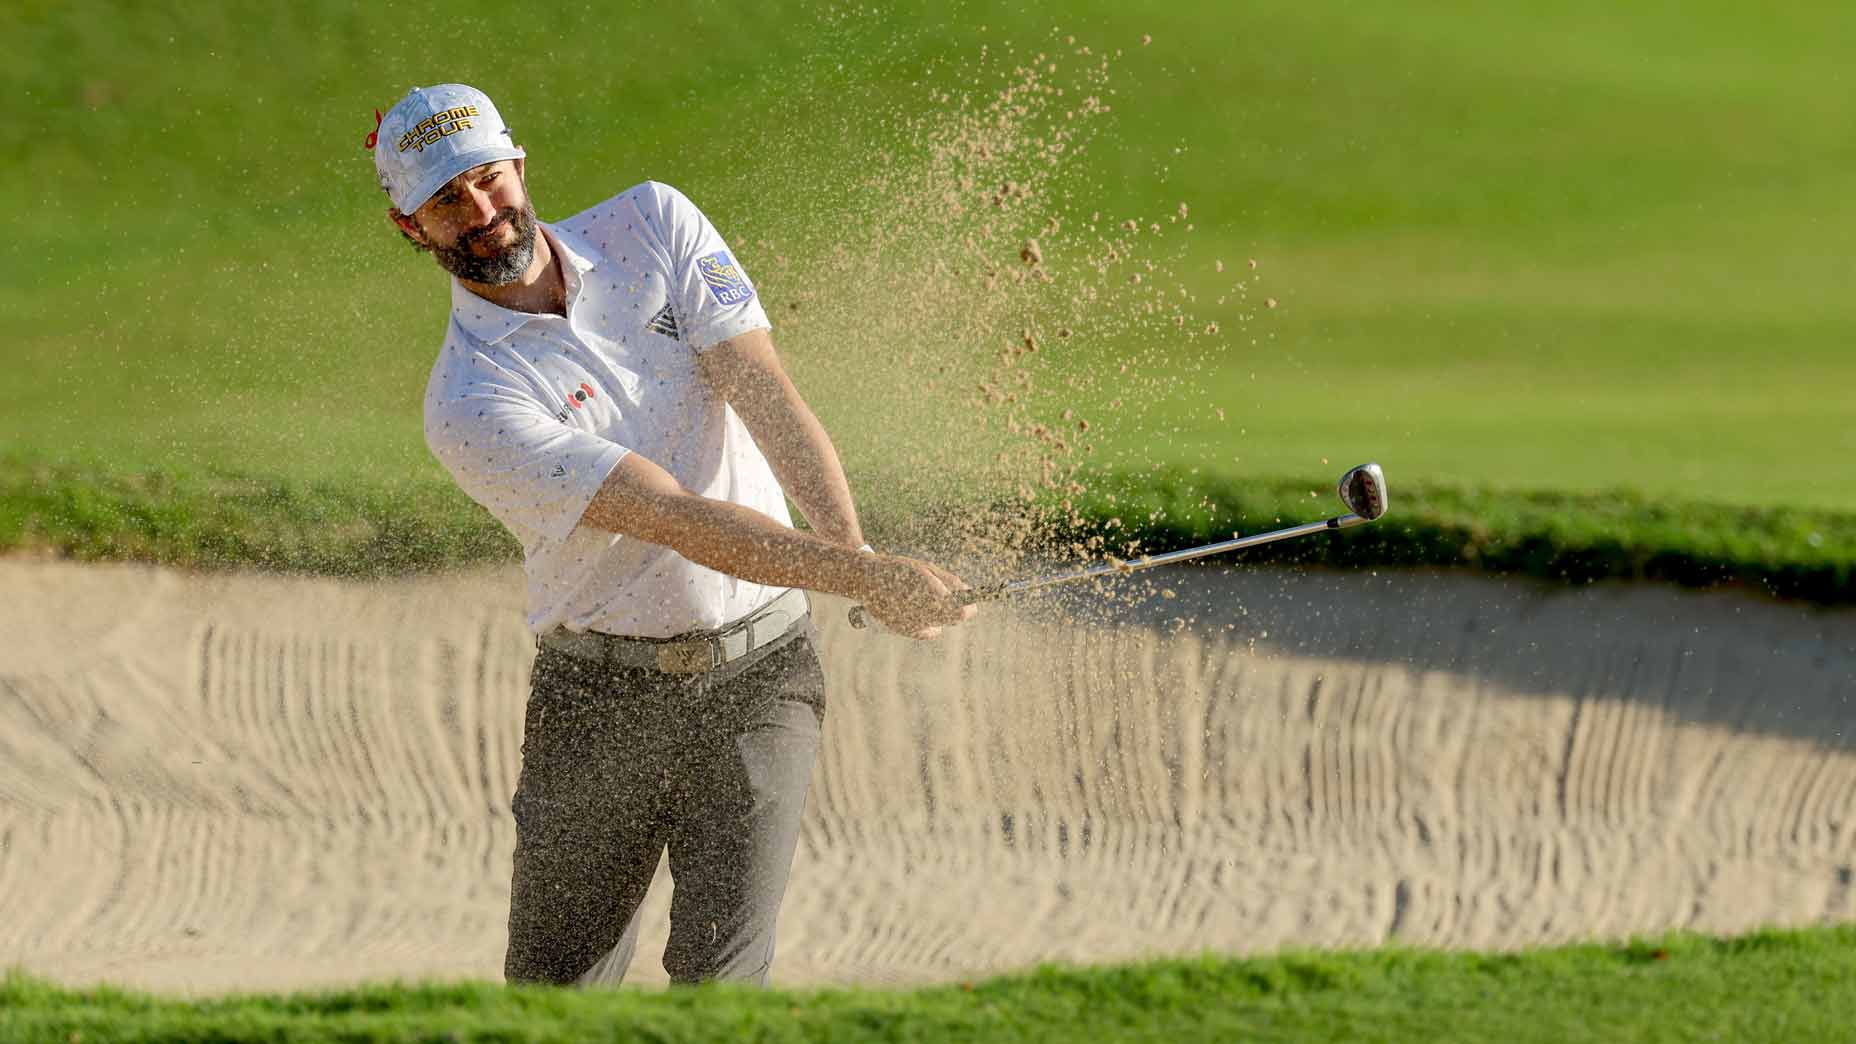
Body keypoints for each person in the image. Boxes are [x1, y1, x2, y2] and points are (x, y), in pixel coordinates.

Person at [368, 83, 977, 986]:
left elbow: (764, 390)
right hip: (598, 703)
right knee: (556, 993)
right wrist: (864, 582)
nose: (483, 213)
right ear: (411, 227)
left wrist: (859, 557)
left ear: (520, 167)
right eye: (448, 201)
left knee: (721, 985)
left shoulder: (652, 223)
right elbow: (676, 520)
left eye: (489, 181)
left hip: (762, 678)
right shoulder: (468, 401)